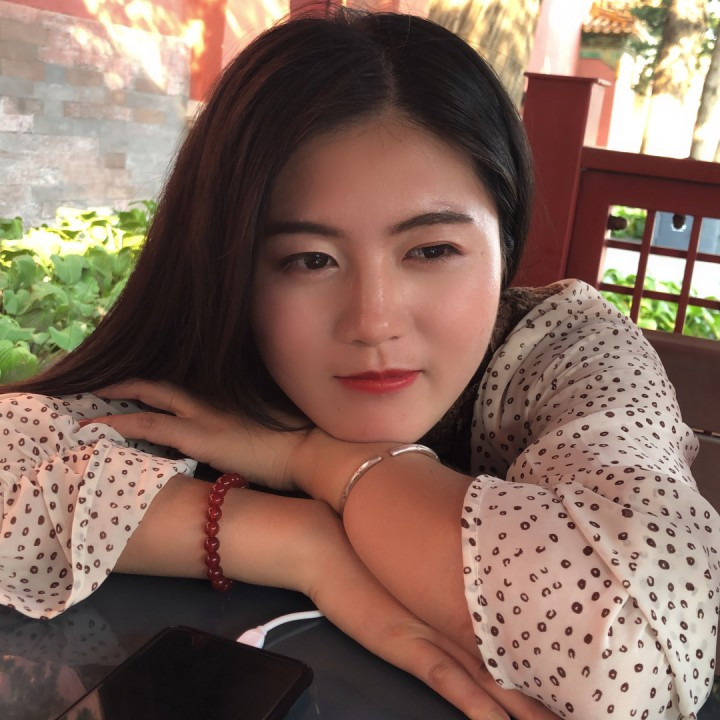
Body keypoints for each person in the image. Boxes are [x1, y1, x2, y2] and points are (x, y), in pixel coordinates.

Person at [1, 9, 717, 720]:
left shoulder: (567, 355)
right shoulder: (221, 363)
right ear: (231, 264)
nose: (372, 321)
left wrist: (318, 460)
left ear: (505, 241)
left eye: (431, 250)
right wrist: (300, 545)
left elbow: (631, 650)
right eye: (309, 260)